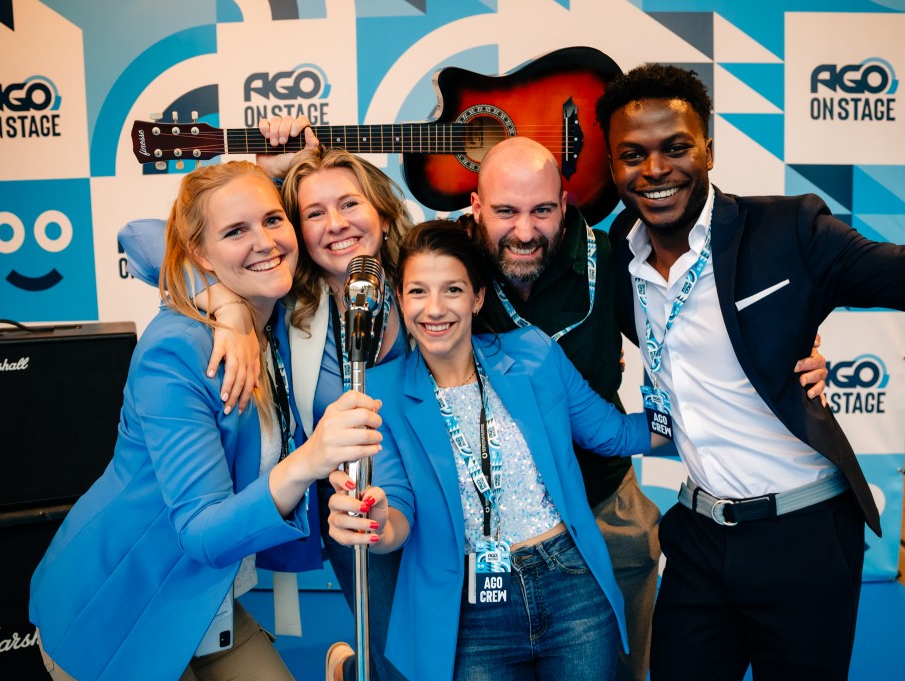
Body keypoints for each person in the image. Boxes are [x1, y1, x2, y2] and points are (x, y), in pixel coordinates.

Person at [594, 63, 905, 681]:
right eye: (632, 154)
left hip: (805, 537)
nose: (655, 170)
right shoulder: (614, 265)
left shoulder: (788, 230)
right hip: (699, 539)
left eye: (676, 147)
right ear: (612, 167)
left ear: (709, 148)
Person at [462, 135, 830, 681]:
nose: (524, 231)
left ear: (564, 206)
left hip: (603, 502)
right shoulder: (444, 266)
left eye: (542, 211)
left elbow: (706, 327)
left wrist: (797, 352)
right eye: (505, 211)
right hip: (487, 527)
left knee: (628, 671)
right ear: (475, 206)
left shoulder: (612, 259)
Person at [30, 161, 384, 681]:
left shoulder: (281, 313)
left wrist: (231, 305)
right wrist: (311, 460)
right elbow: (199, 531)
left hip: (207, 602)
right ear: (199, 253)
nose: (264, 241)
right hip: (120, 608)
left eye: (272, 220)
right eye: (236, 231)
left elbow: (168, 249)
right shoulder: (177, 350)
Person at [117, 116, 412, 681]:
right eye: (312, 213)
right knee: (394, 661)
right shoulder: (285, 303)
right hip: (363, 513)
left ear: (381, 210)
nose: (337, 224)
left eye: (350, 204)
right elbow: (141, 234)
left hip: (445, 499)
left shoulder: (419, 278)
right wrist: (223, 304)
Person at [327, 220, 653, 681]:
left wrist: (699, 415)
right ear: (399, 299)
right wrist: (377, 519)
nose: (434, 309)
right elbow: (397, 510)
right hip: (467, 608)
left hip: (571, 587)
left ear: (478, 298)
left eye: (453, 290)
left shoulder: (533, 354)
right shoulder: (378, 393)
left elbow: (614, 434)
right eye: (418, 291)